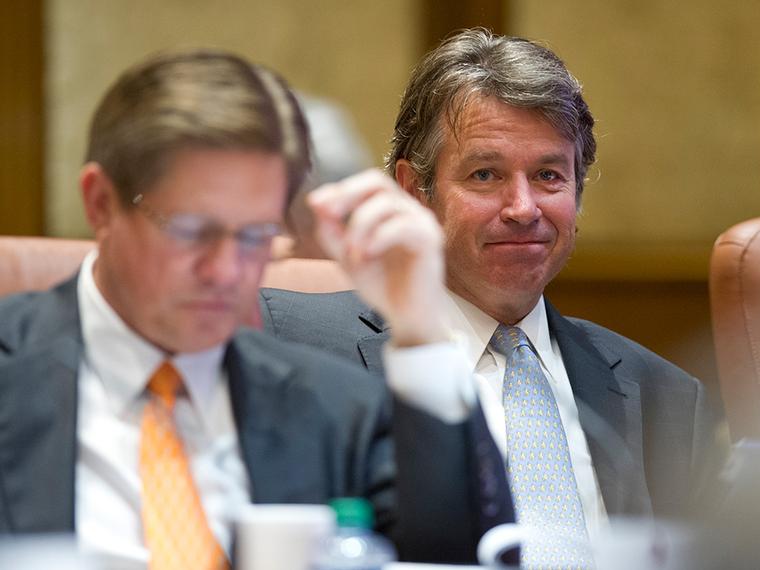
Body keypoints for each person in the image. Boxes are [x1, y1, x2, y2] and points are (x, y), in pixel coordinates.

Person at [0, 49, 509, 568]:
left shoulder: (332, 409)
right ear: (101, 204)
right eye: (191, 231)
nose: (226, 271)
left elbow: (462, 555)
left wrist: (421, 330)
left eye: (254, 235)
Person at [261, 28, 717, 564]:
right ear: (413, 192)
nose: (523, 207)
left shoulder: (663, 396)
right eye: (485, 174)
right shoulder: (295, 350)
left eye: (549, 175)